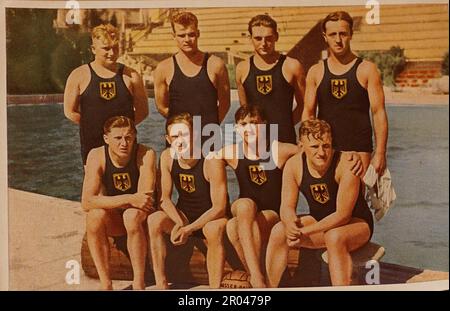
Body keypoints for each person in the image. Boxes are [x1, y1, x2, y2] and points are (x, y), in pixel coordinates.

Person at [266, 119, 373, 287]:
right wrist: (290, 224)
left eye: (327, 146)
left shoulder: (346, 164)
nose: (322, 152)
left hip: (356, 223)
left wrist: (305, 231)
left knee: (334, 236)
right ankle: (268, 290)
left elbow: (343, 216)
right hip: (319, 221)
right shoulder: (293, 166)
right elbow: (286, 206)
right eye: (315, 147)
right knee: (279, 231)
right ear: (301, 147)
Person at [216, 105, 300, 288]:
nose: (249, 128)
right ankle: (258, 277)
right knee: (245, 205)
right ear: (237, 128)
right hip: (244, 208)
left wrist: (348, 157)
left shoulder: (279, 149)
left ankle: (256, 276)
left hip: (271, 214)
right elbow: (204, 159)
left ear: (264, 125)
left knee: (232, 226)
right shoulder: (231, 151)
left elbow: (310, 153)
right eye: (243, 124)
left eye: (254, 123)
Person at [147, 112, 228, 289]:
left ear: (195, 135)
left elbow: (219, 207)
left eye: (184, 134)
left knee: (213, 230)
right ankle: (161, 283)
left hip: (211, 217)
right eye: (175, 136)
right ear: (168, 139)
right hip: (184, 215)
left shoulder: (211, 160)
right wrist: (179, 221)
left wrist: (189, 229)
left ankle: (215, 288)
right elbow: (164, 199)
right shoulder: (167, 157)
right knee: (154, 220)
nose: (180, 141)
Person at [302, 11, 388, 175]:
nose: (338, 39)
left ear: (351, 35)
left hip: (359, 148)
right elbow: (308, 113)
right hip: (325, 149)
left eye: (343, 34)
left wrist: (380, 153)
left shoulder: (367, 69)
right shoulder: (316, 71)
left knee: (358, 200)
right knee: (327, 201)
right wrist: (308, 146)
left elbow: (378, 113)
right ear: (324, 36)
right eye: (332, 34)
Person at [81, 116, 156, 290]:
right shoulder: (96, 155)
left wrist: (116, 202)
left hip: (141, 219)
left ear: (134, 138)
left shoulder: (145, 154)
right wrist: (129, 198)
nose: (124, 143)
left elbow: (144, 200)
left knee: (131, 215)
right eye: (118, 138)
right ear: (106, 139)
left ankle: (139, 282)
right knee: (94, 216)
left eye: (128, 138)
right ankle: (106, 283)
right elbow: (86, 201)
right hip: (116, 217)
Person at [64, 23, 149, 165]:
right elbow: (69, 111)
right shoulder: (79, 75)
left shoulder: (131, 76)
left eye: (115, 48)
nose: (111, 53)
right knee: (96, 185)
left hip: (123, 145)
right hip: (92, 143)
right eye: (106, 48)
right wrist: (92, 124)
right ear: (93, 49)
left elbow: (143, 111)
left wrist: (122, 131)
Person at [153, 11, 230, 149]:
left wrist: (209, 125)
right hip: (179, 139)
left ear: (198, 33)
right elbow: (161, 106)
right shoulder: (164, 68)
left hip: (209, 137)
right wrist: (181, 126)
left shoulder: (215, 65)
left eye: (191, 34)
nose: (187, 39)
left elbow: (225, 103)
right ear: (174, 36)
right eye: (182, 35)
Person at [236, 14, 305, 144]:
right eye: (258, 38)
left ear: (276, 37)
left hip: (285, 140)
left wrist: (286, 123)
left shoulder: (292, 66)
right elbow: (245, 111)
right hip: (255, 142)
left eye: (268, 38)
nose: (264, 43)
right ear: (250, 38)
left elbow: (304, 105)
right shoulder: (242, 68)